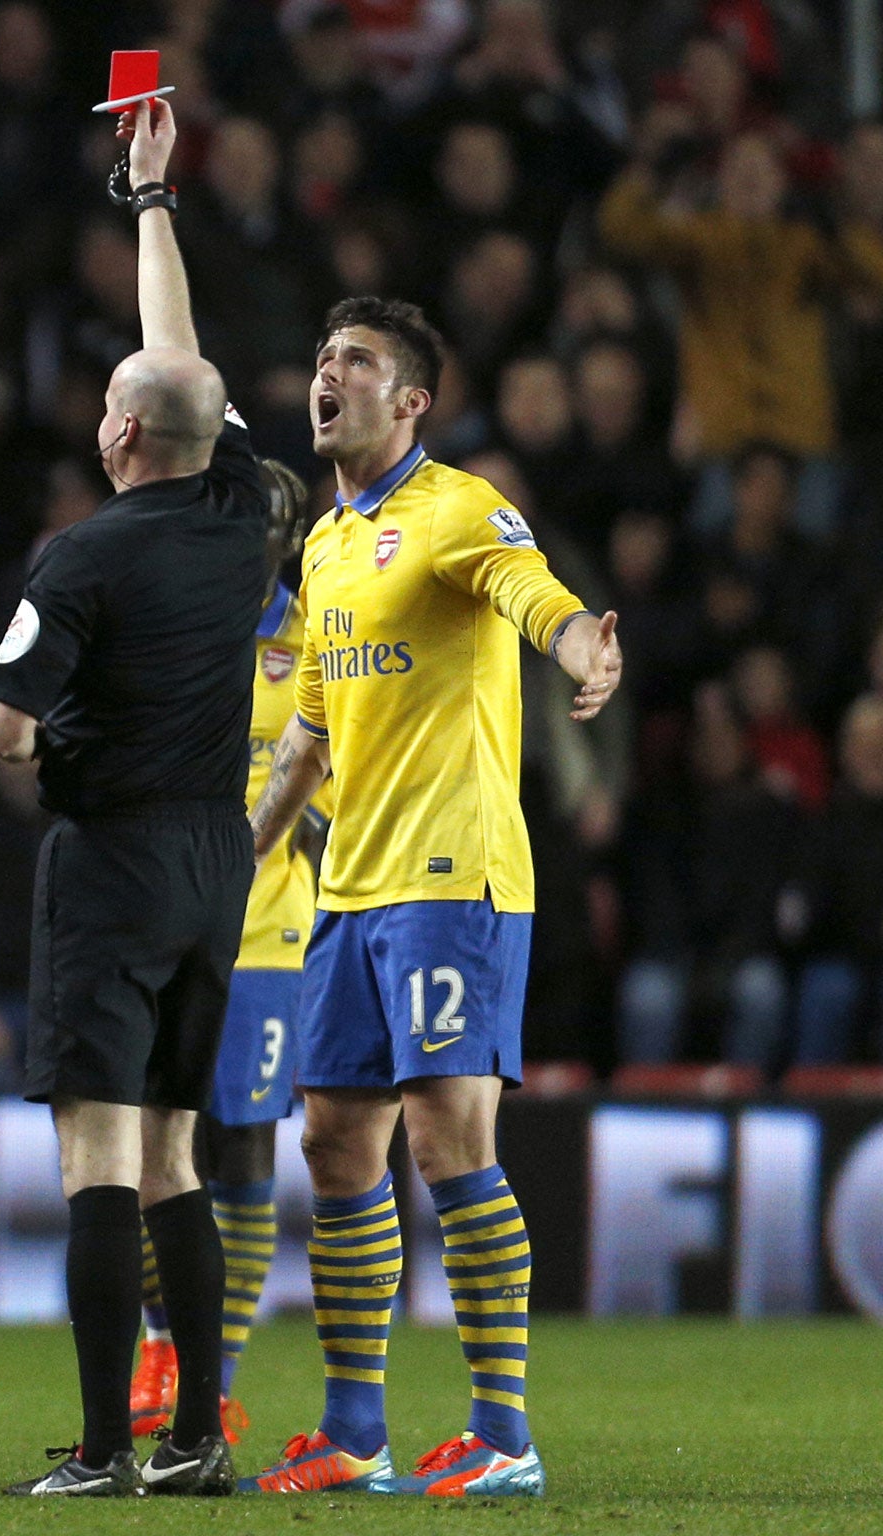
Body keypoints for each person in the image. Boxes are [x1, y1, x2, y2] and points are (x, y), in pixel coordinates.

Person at [241, 296, 621, 1498]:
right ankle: (354, 1430)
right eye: (319, 354)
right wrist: (242, 856)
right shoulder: (321, 545)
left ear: (407, 400)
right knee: (331, 1139)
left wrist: (581, 650)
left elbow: (528, 589)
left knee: (445, 1135)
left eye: (352, 358)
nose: (326, 372)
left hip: (452, 877)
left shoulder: (455, 507)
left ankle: (502, 1433)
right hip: (345, 887)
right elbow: (309, 725)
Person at [0, 98, 266, 1499]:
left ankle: (103, 1450)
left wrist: (52, 756)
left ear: (118, 437)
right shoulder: (240, 513)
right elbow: (185, 361)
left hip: (112, 857)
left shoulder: (77, 560)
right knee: (173, 1160)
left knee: (100, 1155)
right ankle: (200, 1439)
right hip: (223, 859)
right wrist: (149, 200)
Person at [129, 460, 326, 1448]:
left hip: (265, 932)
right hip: (157, 920)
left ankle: (216, 1375)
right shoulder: (168, 622)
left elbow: (336, 777)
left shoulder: (316, 637)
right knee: (141, 1144)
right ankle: (157, 1351)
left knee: (240, 1150)